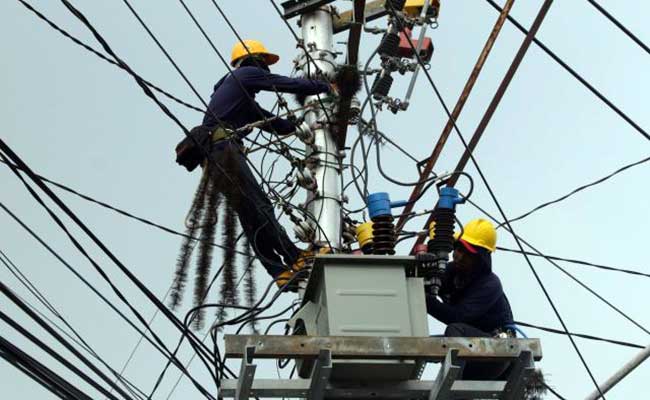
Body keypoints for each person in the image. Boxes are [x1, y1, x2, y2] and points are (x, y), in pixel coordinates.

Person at [181, 39, 336, 289]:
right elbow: (288, 84)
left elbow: (270, 122)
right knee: (260, 206)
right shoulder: (244, 74)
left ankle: (279, 271)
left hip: (215, 158)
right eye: (264, 61)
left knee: (250, 214)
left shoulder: (238, 95)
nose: (265, 68)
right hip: (223, 151)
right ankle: (296, 258)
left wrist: (300, 126)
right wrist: (324, 86)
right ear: (253, 60)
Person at [423, 218, 515, 380]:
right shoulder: (452, 272)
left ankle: (453, 382)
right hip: (469, 347)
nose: (458, 256)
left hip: (494, 353)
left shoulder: (489, 284)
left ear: (481, 258)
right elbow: (426, 285)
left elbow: (457, 316)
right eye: (458, 248)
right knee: (420, 343)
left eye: (467, 253)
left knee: (455, 330)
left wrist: (426, 301)